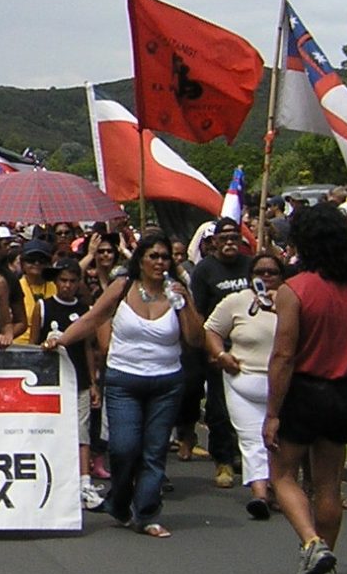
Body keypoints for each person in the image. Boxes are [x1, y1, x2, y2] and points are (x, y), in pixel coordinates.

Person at [55, 231, 202, 539]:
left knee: (154, 451)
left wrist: (184, 303)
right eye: (153, 256)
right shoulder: (122, 287)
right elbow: (92, 319)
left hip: (166, 382)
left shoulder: (177, 293)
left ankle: (147, 512)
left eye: (164, 257)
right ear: (141, 260)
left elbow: (194, 339)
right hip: (124, 380)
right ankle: (120, 502)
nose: (160, 263)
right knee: (124, 448)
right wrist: (59, 340)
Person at [264, 204, 347, 574]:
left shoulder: (296, 290)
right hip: (343, 391)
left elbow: (284, 355)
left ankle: (312, 543)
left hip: (305, 390)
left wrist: (273, 411)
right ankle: (327, 561)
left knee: (282, 475)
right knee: (329, 486)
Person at [203, 246, 286, 520]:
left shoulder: (294, 302)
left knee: (280, 442)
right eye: (260, 272)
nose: (266, 276)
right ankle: (260, 494)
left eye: (272, 272)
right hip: (243, 382)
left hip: (284, 386)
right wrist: (221, 354)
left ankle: (280, 489)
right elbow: (212, 330)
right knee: (252, 441)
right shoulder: (236, 301)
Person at [180, 218, 252, 483]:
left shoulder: (251, 266)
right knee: (220, 406)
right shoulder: (204, 271)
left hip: (251, 348)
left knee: (250, 408)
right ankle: (223, 460)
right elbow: (198, 311)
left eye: (235, 238)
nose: (230, 243)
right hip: (217, 347)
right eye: (225, 239)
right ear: (215, 242)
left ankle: (247, 456)